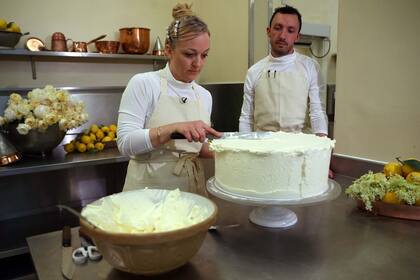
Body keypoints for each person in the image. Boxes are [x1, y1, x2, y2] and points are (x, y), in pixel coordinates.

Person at [117, 3, 221, 195]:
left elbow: (196, 147)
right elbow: (125, 143)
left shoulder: (204, 96)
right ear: (169, 50)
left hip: (192, 191)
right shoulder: (145, 84)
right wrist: (173, 129)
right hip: (148, 191)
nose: (198, 63)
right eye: (189, 54)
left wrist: (232, 150)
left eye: (204, 55)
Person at [239, 5, 328, 137]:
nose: (282, 35)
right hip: (263, 148)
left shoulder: (310, 67)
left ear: (297, 36)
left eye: (290, 30)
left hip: (299, 147)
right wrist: (245, 148)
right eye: (278, 28)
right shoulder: (254, 71)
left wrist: (322, 148)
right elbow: (246, 117)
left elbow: (317, 112)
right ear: (269, 31)